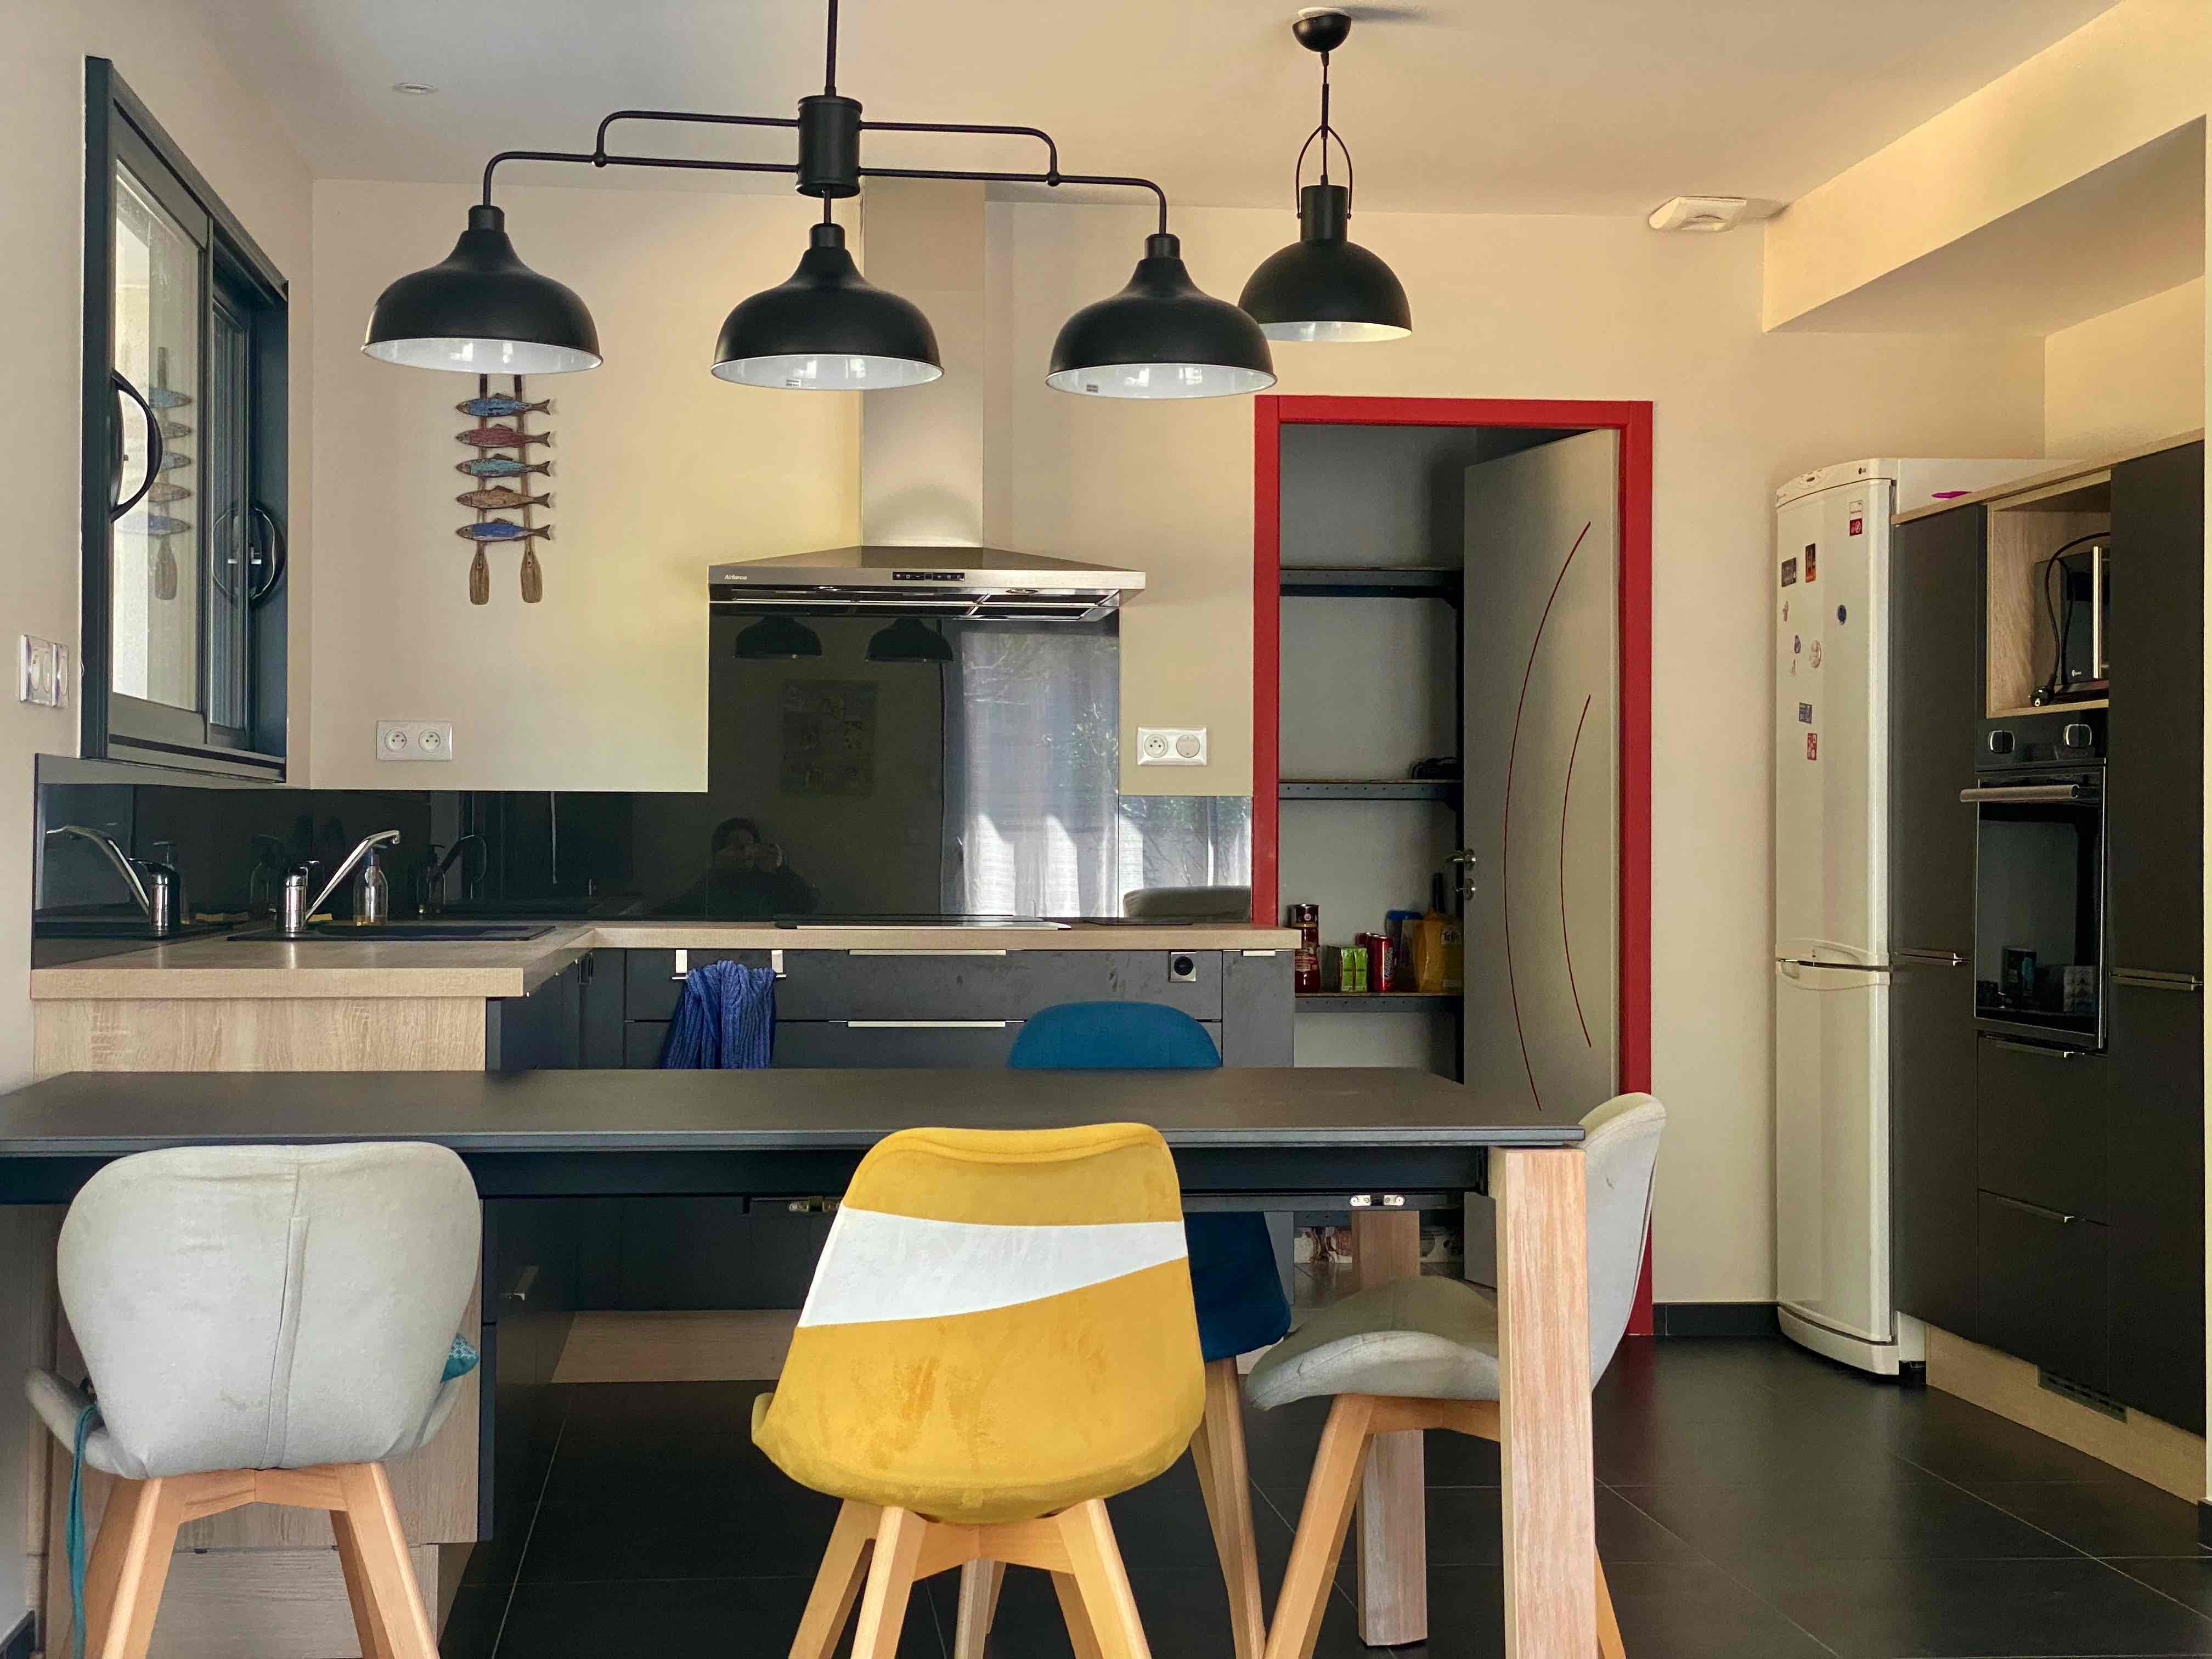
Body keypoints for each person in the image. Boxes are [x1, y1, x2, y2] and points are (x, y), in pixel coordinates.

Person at [659, 817, 819, 918]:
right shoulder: (710, 886)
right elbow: (672, 912)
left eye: (750, 846)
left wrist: (781, 869)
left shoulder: (769, 882)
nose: (745, 853)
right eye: (737, 847)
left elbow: (808, 906)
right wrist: (715, 871)